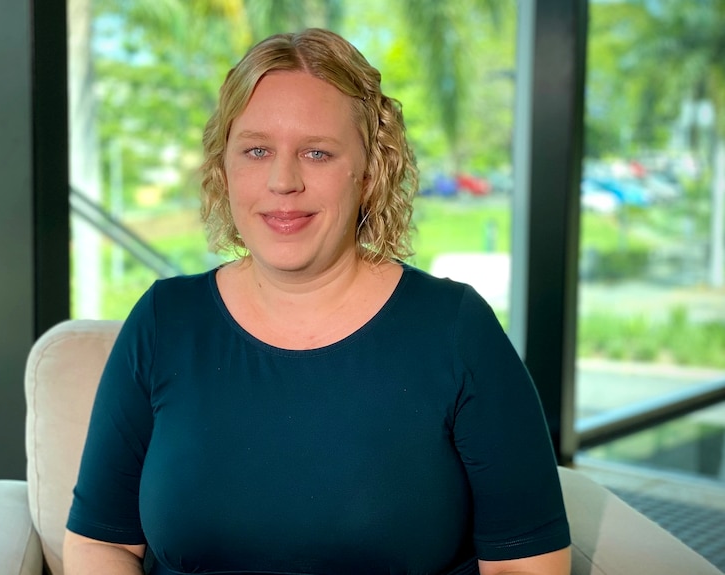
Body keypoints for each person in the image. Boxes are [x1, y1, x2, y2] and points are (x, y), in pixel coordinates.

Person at [63, 28, 572, 575]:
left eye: (317, 153)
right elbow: (101, 543)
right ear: (225, 166)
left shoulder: (456, 331)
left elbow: (526, 565)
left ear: (371, 171)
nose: (284, 181)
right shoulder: (164, 322)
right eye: (257, 150)